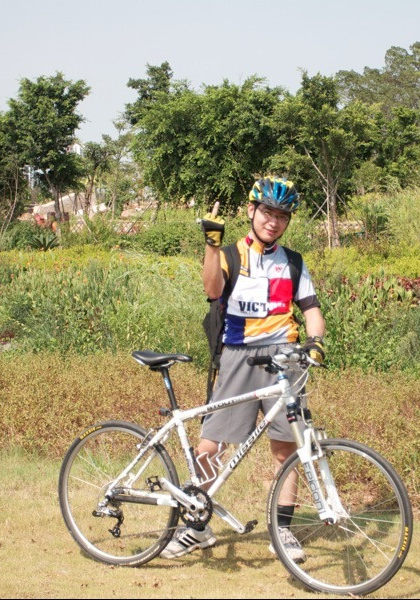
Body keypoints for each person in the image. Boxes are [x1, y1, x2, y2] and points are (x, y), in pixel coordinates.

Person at [161, 176, 325, 562]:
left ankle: (282, 530)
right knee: (210, 446)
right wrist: (210, 245)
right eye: (268, 211)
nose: (274, 220)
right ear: (252, 211)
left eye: (282, 215)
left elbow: (312, 310)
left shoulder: (294, 262)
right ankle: (196, 526)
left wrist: (315, 342)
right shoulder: (231, 254)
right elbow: (213, 289)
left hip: (284, 357)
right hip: (237, 354)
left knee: (288, 449)